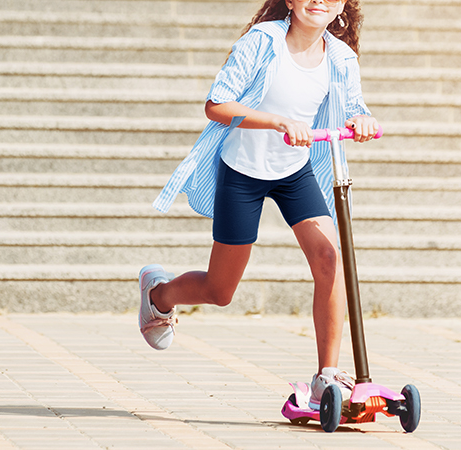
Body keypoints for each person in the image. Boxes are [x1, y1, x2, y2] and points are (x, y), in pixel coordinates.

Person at [139, 0, 380, 410]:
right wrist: (277, 121)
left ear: (342, 5)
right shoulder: (262, 41)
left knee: (329, 258)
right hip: (244, 170)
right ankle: (158, 295)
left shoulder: (340, 57)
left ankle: (326, 377)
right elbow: (217, 105)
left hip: (294, 170)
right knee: (220, 291)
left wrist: (363, 121)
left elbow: (354, 107)